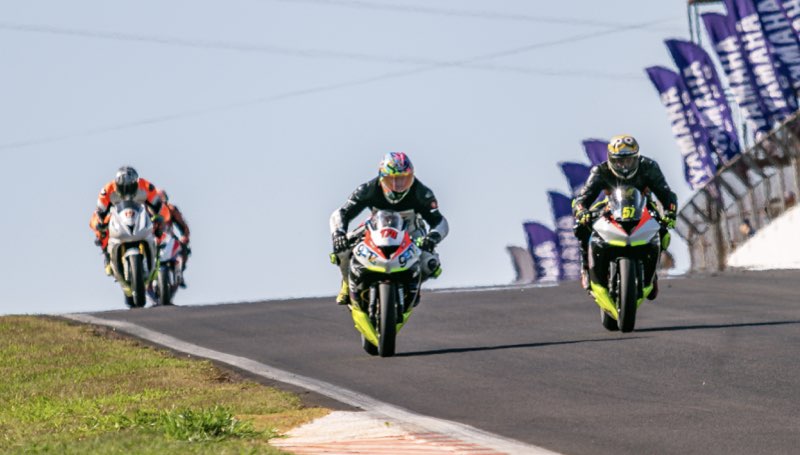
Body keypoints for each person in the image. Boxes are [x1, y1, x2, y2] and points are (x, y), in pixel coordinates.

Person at [330, 152, 449, 305]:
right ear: (381, 177)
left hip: (411, 232)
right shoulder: (368, 189)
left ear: (411, 177)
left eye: (403, 180)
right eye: (391, 180)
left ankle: (414, 287)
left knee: (431, 264)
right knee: (341, 249)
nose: (397, 186)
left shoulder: (422, 193)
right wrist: (338, 233)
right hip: (374, 229)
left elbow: (440, 221)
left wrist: (432, 237)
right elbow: (341, 212)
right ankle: (347, 284)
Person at [572, 135, 677, 300]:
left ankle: (652, 272)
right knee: (580, 226)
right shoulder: (601, 171)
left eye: (629, 160)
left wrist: (670, 213)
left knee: (662, 229)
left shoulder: (648, 167)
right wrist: (582, 211)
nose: (624, 166)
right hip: (610, 206)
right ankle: (586, 266)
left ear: (636, 157)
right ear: (611, 159)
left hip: (643, 206)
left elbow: (667, 194)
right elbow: (582, 200)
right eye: (619, 161)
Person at [89, 166, 169, 275]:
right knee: (99, 227)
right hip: (118, 220)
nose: (126, 191)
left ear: (136, 183)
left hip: (141, 217)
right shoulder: (107, 190)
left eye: (130, 187)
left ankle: (158, 251)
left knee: (160, 224)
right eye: (122, 188)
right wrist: (99, 224)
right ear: (117, 185)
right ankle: (107, 256)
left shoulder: (145, 186)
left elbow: (159, 206)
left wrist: (160, 219)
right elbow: (99, 211)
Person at [157, 190, 191, 288]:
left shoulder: (171, 209)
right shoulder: (144, 210)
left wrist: (185, 237)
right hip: (151, 239)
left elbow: (183, 226)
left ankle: (178, 273)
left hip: (168, 239)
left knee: (182, 248)